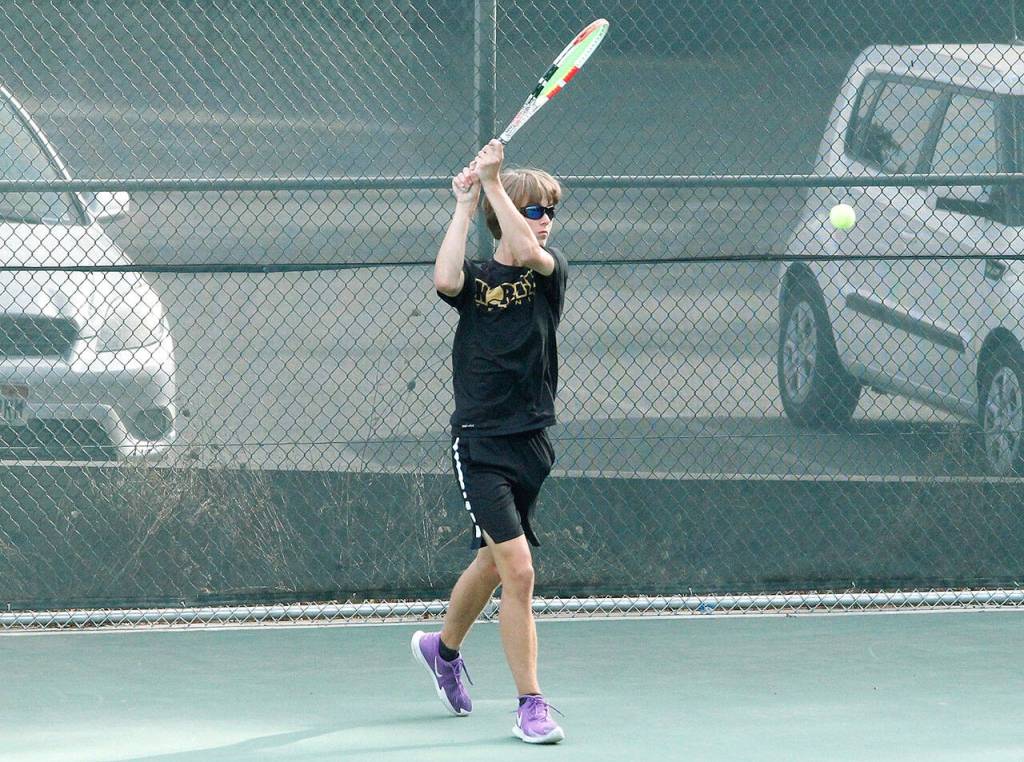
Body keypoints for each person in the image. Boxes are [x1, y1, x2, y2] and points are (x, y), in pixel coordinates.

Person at [411, 139, 568, 745]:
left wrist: (499, 183)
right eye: (537, 210)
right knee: (519, 571)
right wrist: (464, 200)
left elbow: (528, 250)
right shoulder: (477, 280)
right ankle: (531, 703)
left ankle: (442, 650)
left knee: (492, 561)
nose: (545, 221)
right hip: (479, 444)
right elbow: (444, 277)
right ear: (504, 216)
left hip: (532, 443)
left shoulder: (547, 273)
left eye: (549, 210)